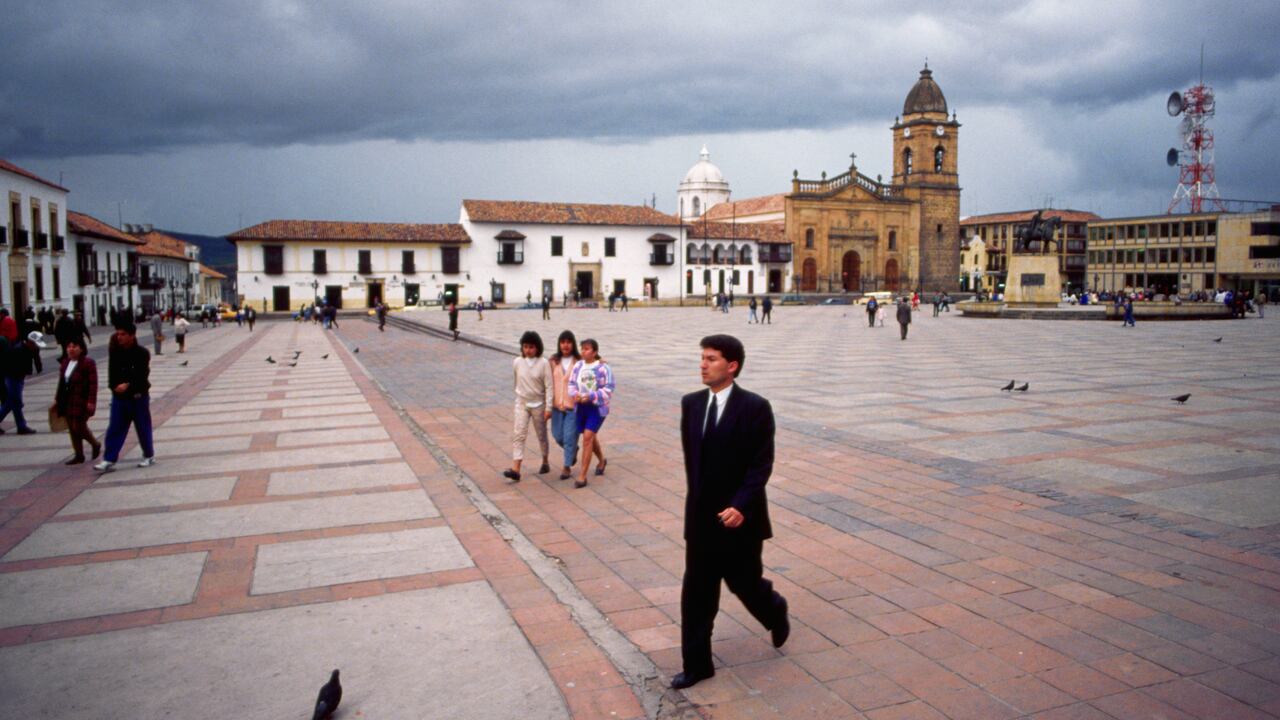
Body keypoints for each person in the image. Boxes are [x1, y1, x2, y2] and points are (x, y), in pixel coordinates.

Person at [672, 334, 788, 691]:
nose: (703, 364)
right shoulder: (691, 404)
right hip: (702, 521)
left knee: (745, 584)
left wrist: (741, 505)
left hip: (740, 520)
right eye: (702, 358)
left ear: (732, 366)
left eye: (711, 359)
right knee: (697, 594)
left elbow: (760, 464)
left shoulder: (755, 407)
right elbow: (696, 465)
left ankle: (774, 610)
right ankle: (697, 664)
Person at [94, 322, 155, 471]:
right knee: (115, 428)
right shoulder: (115, 353)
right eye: (118, 334)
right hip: (119, 397)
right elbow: (111, 375)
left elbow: (142, 375)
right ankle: (109, 459)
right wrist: (114, 386)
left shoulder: (142, 353)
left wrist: (128, 385)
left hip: (138, 396)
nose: (119, 337)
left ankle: (148, 455)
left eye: (123, 334)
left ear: (132, 336)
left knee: (142, 427)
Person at [504, 331, 553, 482]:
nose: (528, 350)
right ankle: (516, 468)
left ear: (537, 348)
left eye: (531, 347)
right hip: (522, 402)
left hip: (539, 403)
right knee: (519, 434)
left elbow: (549, 386)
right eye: (525, 347)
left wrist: (548, 408)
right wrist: (518, 396)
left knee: (541, 435)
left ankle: (545, 460)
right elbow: (516, 380)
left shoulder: (544, 363)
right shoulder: (517, 362)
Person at [568, 338, 613, 488]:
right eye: (582, 348)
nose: (584, 351)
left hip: (596, 407)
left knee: (587, 437)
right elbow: (572, 383)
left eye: (587, 349)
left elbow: (609, 388)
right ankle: (601, 459)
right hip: (581, 406)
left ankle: (582, 475)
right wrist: (575, 395)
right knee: (589, 436)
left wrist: (592, 396)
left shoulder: (603, 368)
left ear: (595, 352)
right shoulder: (578, 366)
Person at [53, 337, 101, 464]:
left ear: (81, 348)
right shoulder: (65, 363)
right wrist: (57, 399)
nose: (71, 349)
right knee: (71, 427)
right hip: (67, 400)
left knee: (78, 426)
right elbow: (62, 383)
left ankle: (95, 444)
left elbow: (93, 384)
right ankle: (79, 455)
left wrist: (91, 401)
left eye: (74, 346)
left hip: (82, 400)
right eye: (69, 347)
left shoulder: (88, 363)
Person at [549, 330, 580, 480]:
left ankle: (566, 466)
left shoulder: (578, 362)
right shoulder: (554, 361)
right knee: (557, 436)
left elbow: (593, 363)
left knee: (568, 437)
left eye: (568, 342)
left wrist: (601, 361)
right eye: (563, 342)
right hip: (556, 407)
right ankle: (573, 449)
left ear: (573, 344)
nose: (565, 345)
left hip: (572, 407)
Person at [0, 331, 45, 435]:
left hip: (18, 378)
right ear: (30, 342)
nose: (37, 347)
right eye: (36, 344)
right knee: (14, 402)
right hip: (13, 378)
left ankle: (21, 426)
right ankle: (21, 426)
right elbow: (9, 368)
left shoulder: (28, 349)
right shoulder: (18, 350)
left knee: (12, 404)